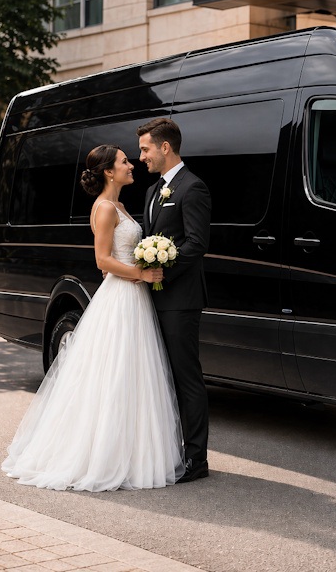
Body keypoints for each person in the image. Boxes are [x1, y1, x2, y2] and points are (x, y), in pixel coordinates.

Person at [2, 145, 185, 491]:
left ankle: (133, 453)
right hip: (120, 297)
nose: (131, 165)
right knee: (112, 374)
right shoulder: (103, 208)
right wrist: (141, 273)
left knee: (133, 373)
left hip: (133, 298)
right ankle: (100, 457)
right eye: (124, 162)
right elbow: (102, 260)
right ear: (108, 171)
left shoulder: (121, 206)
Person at [139, 118, 212, 483]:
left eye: (145, 149)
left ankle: (196, 460)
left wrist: (162, 269)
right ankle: (169, 452)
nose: (142, 157)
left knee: (186, 378)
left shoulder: (192, 187)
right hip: (152, 299)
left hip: (181, 301)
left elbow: (197, 243)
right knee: (160, 377)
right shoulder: (153, 191)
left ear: (165, 147)